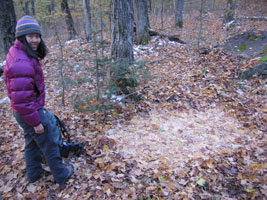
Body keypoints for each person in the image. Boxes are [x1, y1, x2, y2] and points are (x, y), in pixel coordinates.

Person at [4, 16, 74, 188]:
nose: (35, 40)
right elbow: (22, 98)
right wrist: (36, 121)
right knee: (48, 142)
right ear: (22, 37)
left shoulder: (19, 52)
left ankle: (34, 174)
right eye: (31, 36)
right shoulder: (21, 62)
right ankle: (62, 175)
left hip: (23, 111)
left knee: (31, 142)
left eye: (37, 36)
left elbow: (22, 94)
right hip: (28, 111)